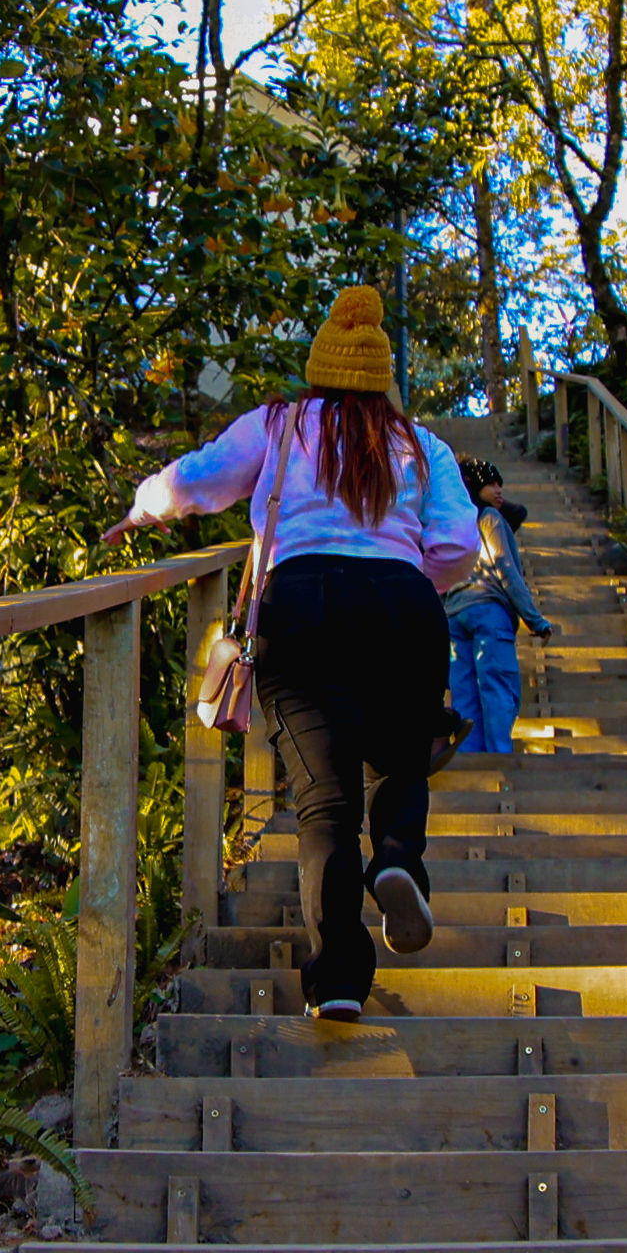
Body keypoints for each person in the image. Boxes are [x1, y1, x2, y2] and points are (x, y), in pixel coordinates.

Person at [109, 287, 475, 1020]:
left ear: (318, 367)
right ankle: (399, 861)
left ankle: (338, 977)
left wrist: (142, 506)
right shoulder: (418, 442)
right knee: (402, 757)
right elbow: (459, 543)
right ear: (380, 377)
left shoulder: (277, 424)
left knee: (324, 803)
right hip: (401, 605)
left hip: (299, 604)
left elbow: (198, 479)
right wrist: (411, 582)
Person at [444, 473, 559, 759]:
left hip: (453, 614)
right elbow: (505, 568)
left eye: (500, 484)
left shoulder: (450, 522)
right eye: (491, 483)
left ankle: (469, 761)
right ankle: (499, 758)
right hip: (488, 609)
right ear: (474, 487)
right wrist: (535, 619)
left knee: (465, 694)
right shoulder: (490, 518)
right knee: (498, 688)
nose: (499, 490)